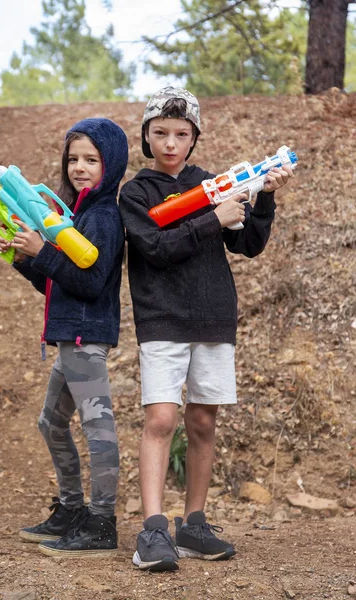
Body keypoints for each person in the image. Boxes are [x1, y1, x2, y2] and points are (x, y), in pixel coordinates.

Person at [118, 86, 294, 572]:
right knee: (160, 420)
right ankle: (153, 529)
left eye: (181, 134)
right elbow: (154, 247)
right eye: (160, 133)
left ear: (194, 137)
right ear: (146, 136)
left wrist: (264, 199)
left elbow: (249, 245)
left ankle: (193, 524)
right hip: (161, 318)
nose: (170, 143)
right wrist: (211, 220)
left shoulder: (214, 182)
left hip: (214, 316)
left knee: (202, 421)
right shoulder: (136, 192)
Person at [0, 118, 128, 557]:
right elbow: (58, 284)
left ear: (110, 165)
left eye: (91, 159)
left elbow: (91, 284)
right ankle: (72, 511)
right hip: (69, 336)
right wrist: (26, 257)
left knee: (98, 430)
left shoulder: (106, 217)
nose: (79, 167)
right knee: (50, 423)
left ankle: (102, 522)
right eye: (73, 158)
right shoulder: (78, 214)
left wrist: (44, 252)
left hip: (85, 340)